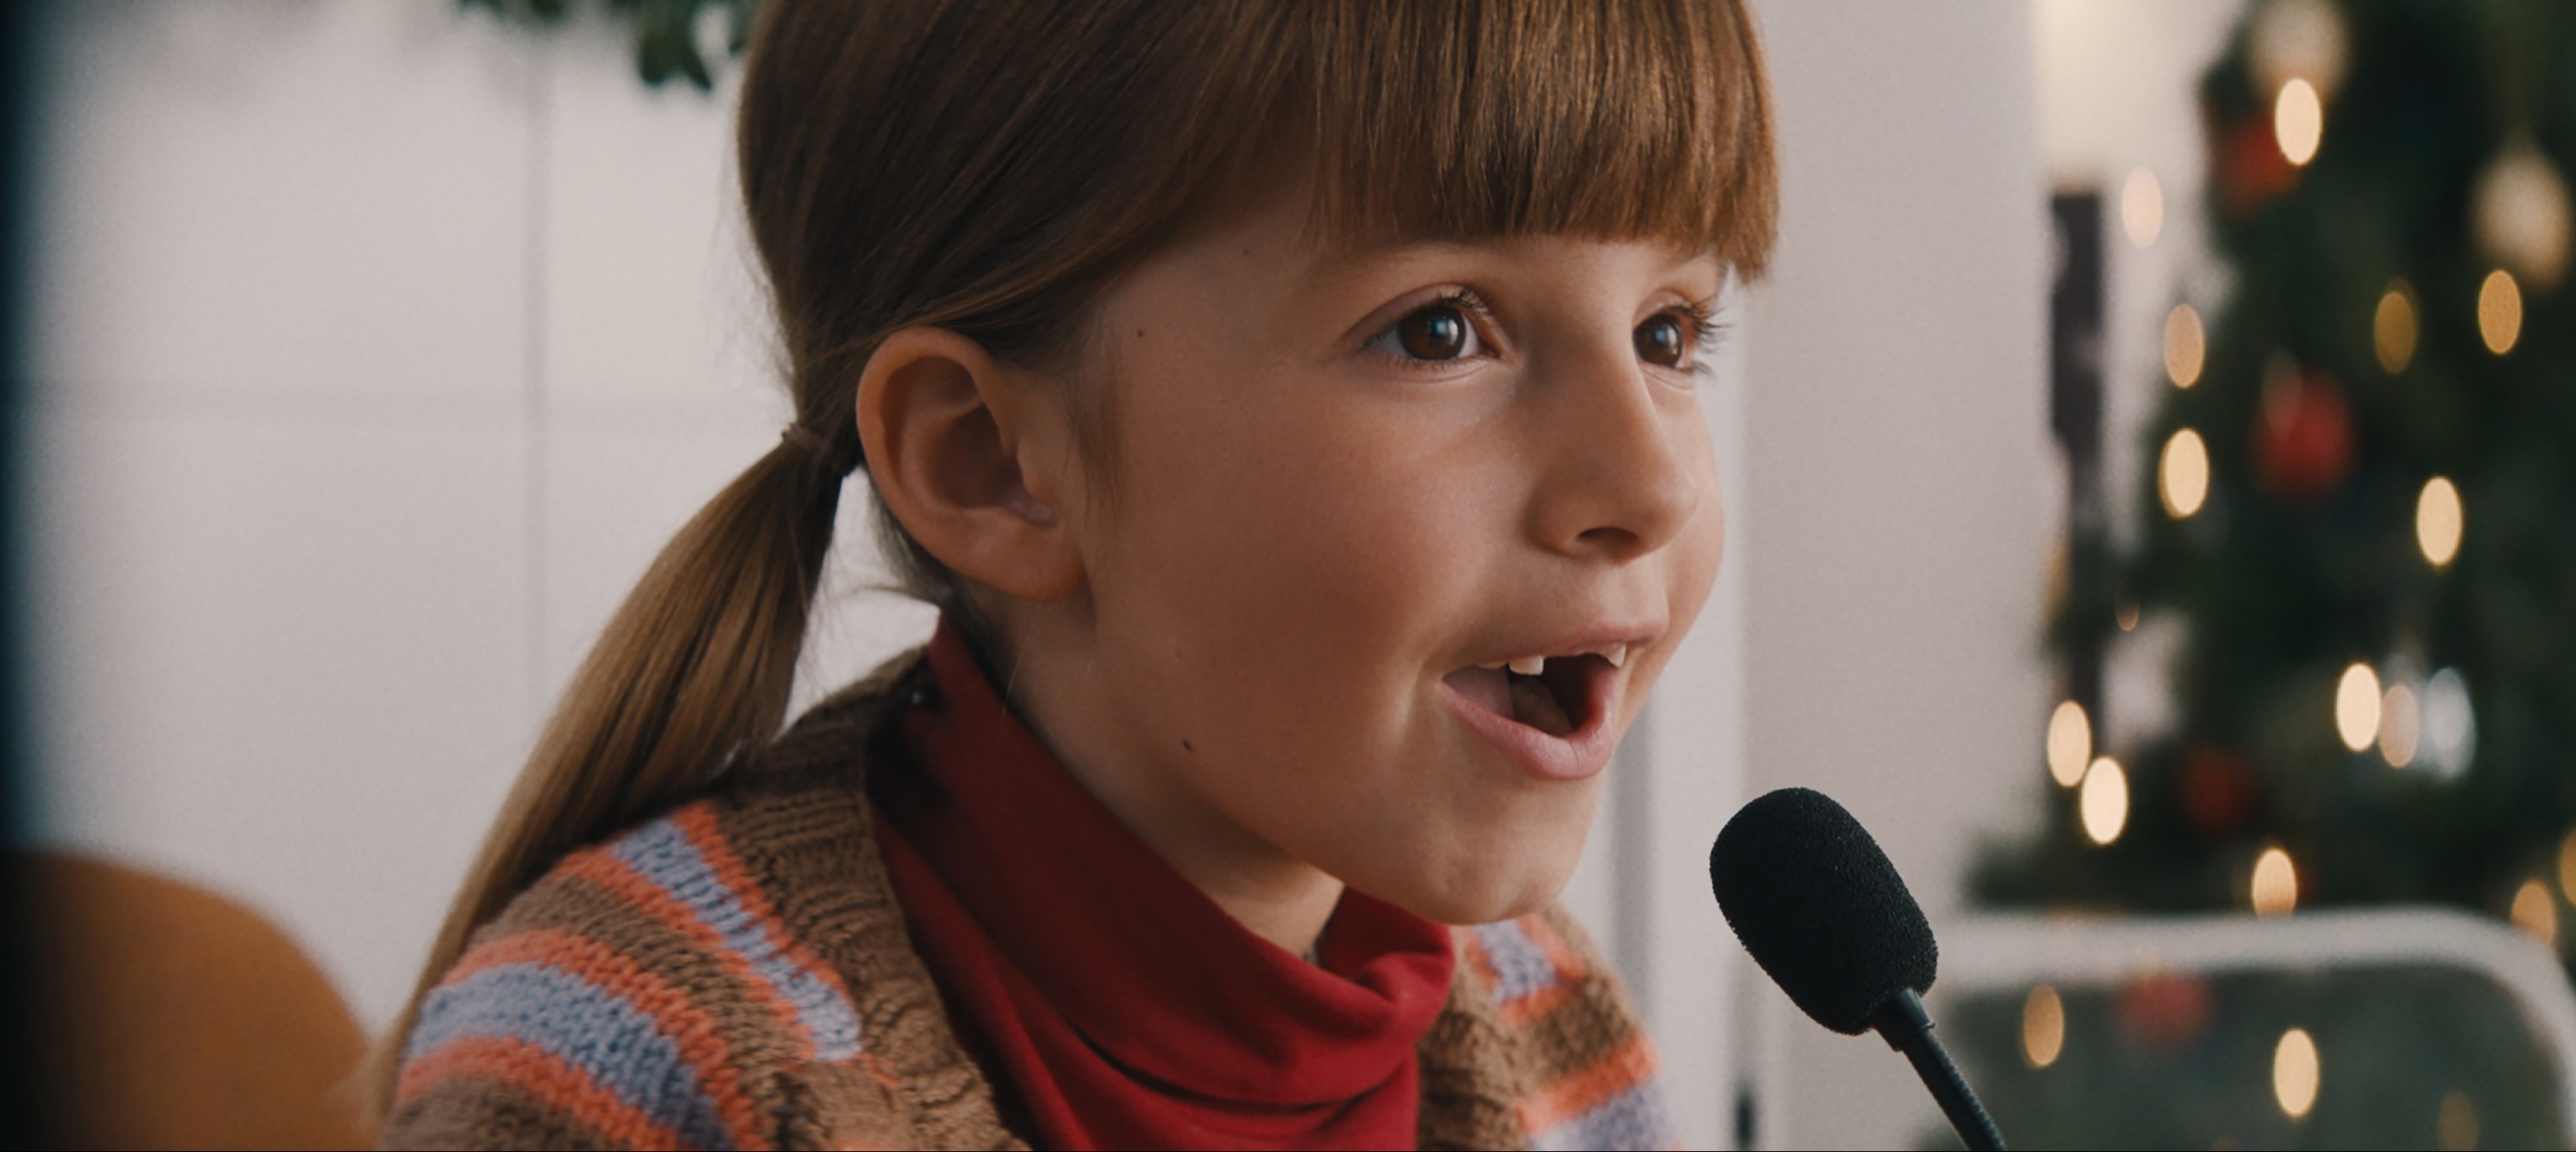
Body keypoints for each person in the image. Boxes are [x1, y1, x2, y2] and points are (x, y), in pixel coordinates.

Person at [375, 0, 1776, 1147]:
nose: (1650, 483)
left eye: (1669, 334)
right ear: (992, 461)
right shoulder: (635, 1082)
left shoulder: (1552, 1031)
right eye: (1439, 332)